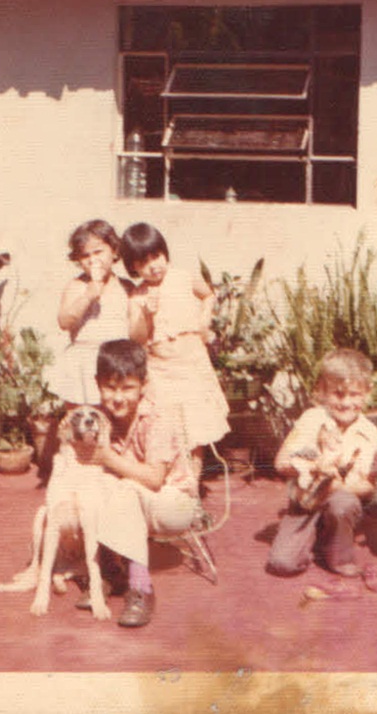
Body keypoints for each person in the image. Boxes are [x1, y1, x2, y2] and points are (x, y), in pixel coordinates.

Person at [90, 339, 199, 628]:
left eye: (127, 388)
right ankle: (109, 571)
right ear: (97, 383)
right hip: (135, 503)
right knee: (96, 485)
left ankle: (141, 587)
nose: (118, 397)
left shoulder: (157, 416)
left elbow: (154, 478)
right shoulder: (100, 417)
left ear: (143, 385)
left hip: (173, 504)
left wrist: (107, 458)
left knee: (123, 486)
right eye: (110, 387)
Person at [121, 223, 230, 479]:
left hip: (191, 367)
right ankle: (174, 481)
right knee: (171, 428)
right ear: (133, 267)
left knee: (195, 431)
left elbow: (208, 295)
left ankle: (193, 484)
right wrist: (146, 314)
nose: (153, 266)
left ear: (165, 253)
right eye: (144, 262)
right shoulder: (137, 297)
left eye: (157, 256)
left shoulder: (183, 277)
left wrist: (204, 319)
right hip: (162, 372)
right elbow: (137, 338)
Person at [266, 348, 377, 580]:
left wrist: (336, 486)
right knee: (282, 564)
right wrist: (315, 467)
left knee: (343, 503)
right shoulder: (311, 419)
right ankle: (316, 539)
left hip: (340, 501)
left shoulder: (370, 432)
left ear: (367, 393)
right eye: (338, 394)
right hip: (305, 502)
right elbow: (281, 463)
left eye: (354, 394)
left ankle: (339, 555)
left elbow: (369, 485)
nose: (346, 403)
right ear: (321, 391)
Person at [51, 219, 132, 406]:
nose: (93, 260)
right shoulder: (77, 286)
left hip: (116, 360)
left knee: (115, 412)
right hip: (85, 361)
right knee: (82, 411)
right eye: (85, 256)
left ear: (114, 251)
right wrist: (87, 297)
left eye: (98, 252)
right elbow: (64, 321)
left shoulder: (125, 286)